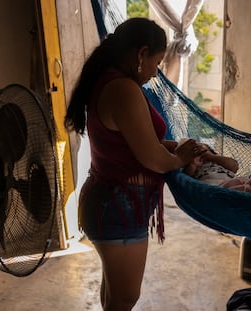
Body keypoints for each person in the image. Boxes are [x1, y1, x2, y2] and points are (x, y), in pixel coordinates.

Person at [64, 18, 203, 311]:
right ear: (142, 54)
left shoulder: (108, 80)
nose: (156, 73)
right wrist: (180, 158)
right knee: (125, 299)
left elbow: (130, 142)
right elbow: (152, 158)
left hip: (109, 203)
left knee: (115, 298)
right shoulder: (123, 89)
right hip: (118, 208)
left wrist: (171, 149)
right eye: (158, 62)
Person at [183, 143, 251, 197]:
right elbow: (186, 179)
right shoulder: (194, 167)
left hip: (238, 181)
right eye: (194, 152)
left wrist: (212, 157)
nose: (199, 152)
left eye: (202, 149)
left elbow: (234, 166)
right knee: (239, 191)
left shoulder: (218, 162)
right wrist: (193, 164)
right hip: (215, 188)